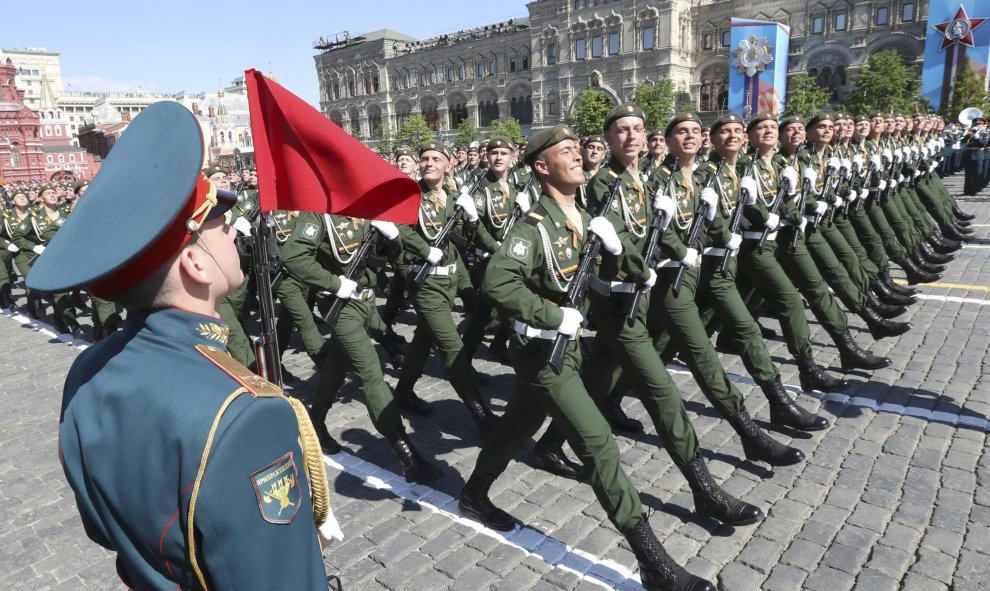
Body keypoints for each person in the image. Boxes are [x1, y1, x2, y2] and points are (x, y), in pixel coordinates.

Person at [29, 102, 335, 590]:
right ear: (195, 264)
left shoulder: (88, 369)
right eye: (221, 225)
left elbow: (102, 527)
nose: (235, 231)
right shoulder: (246, 413)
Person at [459, 123, 715, 591]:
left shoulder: (587, 216)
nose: (579, 156)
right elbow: (497, 284)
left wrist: (618, 249)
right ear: (541, 167)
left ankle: (474, 493)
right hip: (541, 351)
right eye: (567, 151)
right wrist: (552, 315)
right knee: (599, 443)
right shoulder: (531, 227)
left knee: (516, 424)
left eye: (579, 149)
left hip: (572, 347)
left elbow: (637, 266)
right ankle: (655, 563)